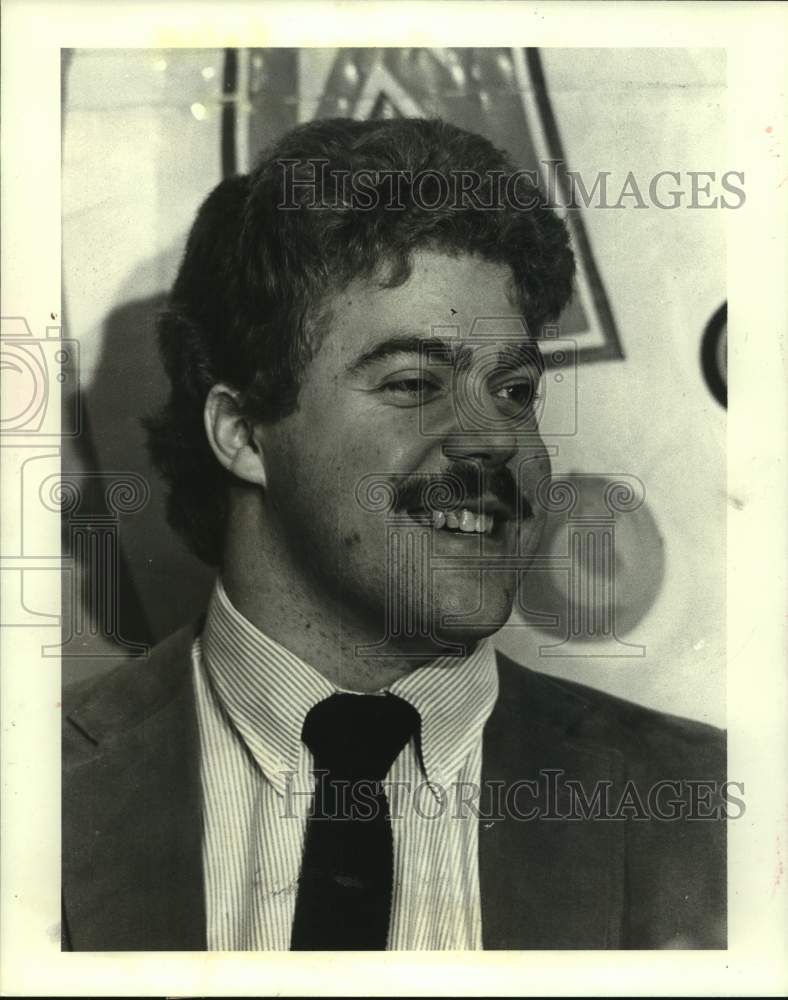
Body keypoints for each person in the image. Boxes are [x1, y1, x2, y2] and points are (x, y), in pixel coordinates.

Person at [62, 117, 726, 951]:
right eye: (415, 382)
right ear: (242, 432)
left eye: (516, 390)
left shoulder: (715, 811)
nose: (496, 439)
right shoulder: (34, 793)